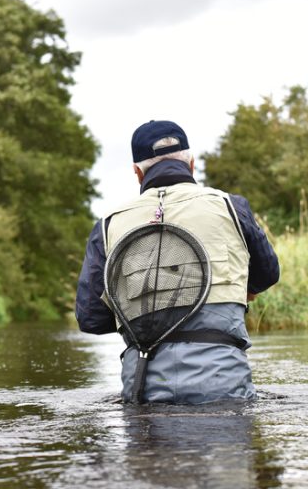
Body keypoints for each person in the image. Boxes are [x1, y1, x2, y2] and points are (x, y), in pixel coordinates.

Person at [75, 120, 280, 404]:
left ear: (137, 173)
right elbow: (268, 274)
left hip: (143, 394)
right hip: (225, 390)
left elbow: (91, 319)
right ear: (191, 164)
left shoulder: (108, 225)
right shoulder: (231, 207)